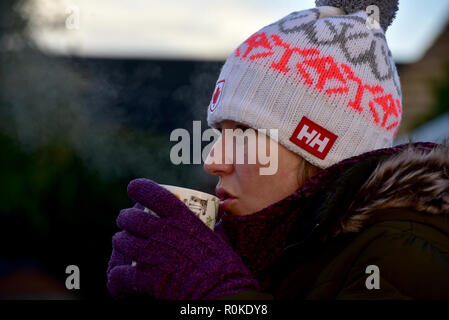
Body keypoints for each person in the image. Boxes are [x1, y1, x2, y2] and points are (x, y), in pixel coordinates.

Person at [106, 0, 449, 300]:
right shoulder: (279, 247)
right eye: (219, 133)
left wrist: (216, 292)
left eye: (244, 133)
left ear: (318, 148)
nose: (213, 161)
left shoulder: (403, 257)